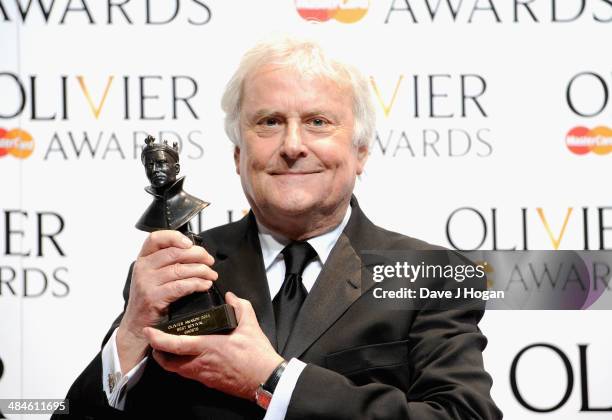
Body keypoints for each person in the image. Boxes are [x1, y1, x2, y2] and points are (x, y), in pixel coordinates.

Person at [57, 36, 502, 419]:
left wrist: (275, 380)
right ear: (237, 154)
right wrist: (133, 334)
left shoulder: (429, 274)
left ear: (361, 150)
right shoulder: (181, 266)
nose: (292, 146)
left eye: (317, 122)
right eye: (269, 122)